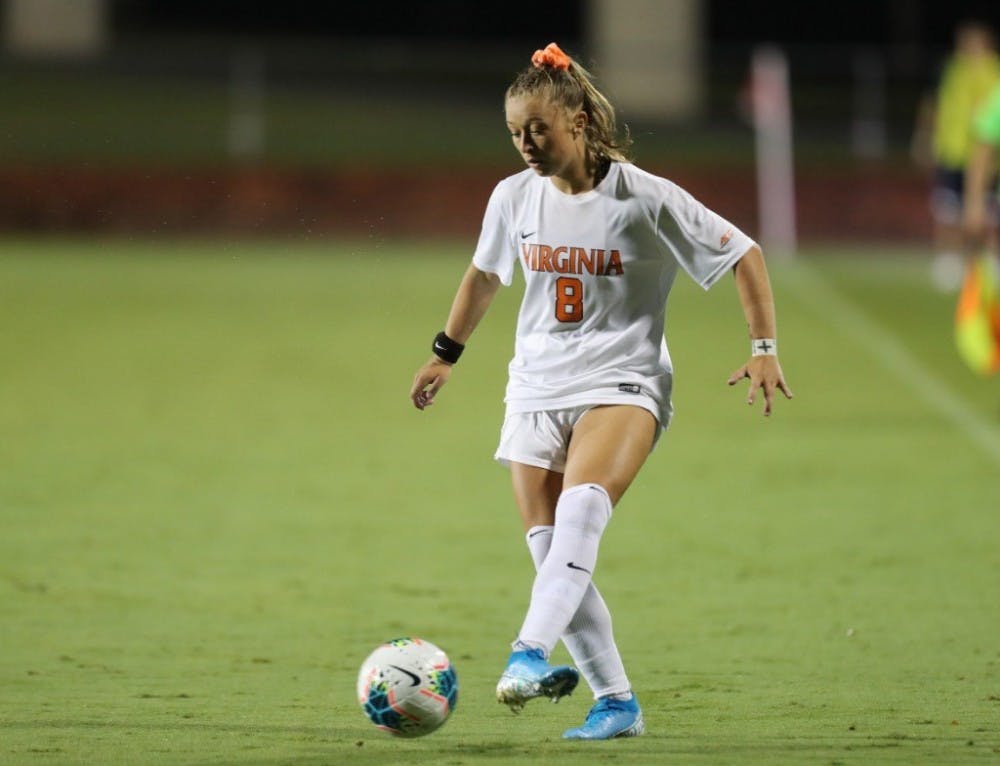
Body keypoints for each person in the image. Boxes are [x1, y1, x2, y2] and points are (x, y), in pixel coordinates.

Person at [409, 42, 793, 740]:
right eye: (515, 132)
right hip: (533, 387)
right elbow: (486, 275)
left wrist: (763, 348)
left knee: (583, 516)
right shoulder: (512, 197)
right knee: (551, 550)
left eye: (538, 130)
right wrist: (446, 355)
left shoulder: (643, 197)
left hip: (624, 380)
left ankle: (527, 652)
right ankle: (616, 702)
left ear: (579, 121)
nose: (525, 144)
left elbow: (744, 254)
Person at [911, 20, 1000, 291]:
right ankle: (951, 262)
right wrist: (925, 136)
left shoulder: (993, 72)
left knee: (988, 213)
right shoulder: (952, 70)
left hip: (987, 159)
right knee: (949, 211)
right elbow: (935, 103)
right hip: (954, 150)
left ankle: (987, 262)